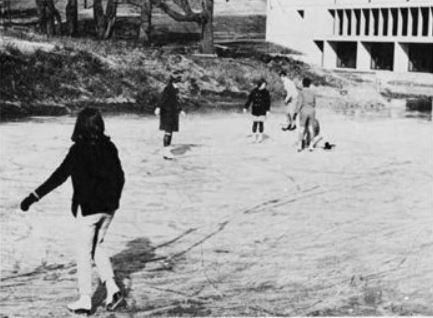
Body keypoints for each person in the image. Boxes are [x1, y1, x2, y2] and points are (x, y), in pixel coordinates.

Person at [20, 108, 125, 314]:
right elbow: (120, 177)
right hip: (108, 209)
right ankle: (112, 290)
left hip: (88, 210)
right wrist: (113, 201)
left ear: (80, 126)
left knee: (84, 253)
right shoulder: (110, 147)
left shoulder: (78, 150)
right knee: (97, 246)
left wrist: (33, 196)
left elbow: (58, 177)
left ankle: (85, 299)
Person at [154, 74, 186, 159]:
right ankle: (166, 152)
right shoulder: (168, 89)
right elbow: (162, 99)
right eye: (178, 82)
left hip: (172, 113)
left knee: (170, 132)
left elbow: (176, 102)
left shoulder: (174, 89)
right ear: (173, 82)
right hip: (167, 113)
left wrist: (180, 110)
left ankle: (167, 151)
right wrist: (158, 107)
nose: (179, 84)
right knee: (168, 131)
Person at [293, 77, 320, 152]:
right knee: (311, 128)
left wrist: (295, 113)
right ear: (310, 84)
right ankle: (311, 146)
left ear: (303, 84)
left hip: (304, 110)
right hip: (312, 110)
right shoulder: (313, 92)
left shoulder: (301, 92)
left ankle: (299, 146)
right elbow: (314, 103)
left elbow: (299, 104)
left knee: (302, 128)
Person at [243, 78, 271, 143]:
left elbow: (268, 102)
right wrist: (245, 107)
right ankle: (254, 136)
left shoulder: (266, 92)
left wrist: (268, 110)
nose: (264, 86)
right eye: (263, 85)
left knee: (261, 123)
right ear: (260, 84)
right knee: (255, 123)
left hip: (262, 109)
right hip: (255, 109)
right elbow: (249, 100)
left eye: (265, 85)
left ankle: (260, 137)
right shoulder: (253, 91)